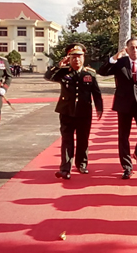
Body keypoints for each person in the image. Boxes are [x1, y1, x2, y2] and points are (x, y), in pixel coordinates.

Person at [98, 38, 137, 180]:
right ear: (126, 49)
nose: (134, 50)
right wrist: (113, 58)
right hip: (124, 105)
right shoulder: (120, 64)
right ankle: (127, 167)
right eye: (131, 47)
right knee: (123, 137)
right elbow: (102, 72)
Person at [44, 43, 103, 179]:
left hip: (84, 112)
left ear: (84, 58)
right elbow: (48, 76)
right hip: (66, 111)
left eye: (79, 57)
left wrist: (99, 108)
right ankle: (65, 168)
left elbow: (96, 92)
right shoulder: (63, 72)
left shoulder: (89, 73)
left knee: (83, 139)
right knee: (67, 140)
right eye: (73, 57)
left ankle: (82, 164)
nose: (76, 60)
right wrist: (59, 65)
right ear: (69, 58)